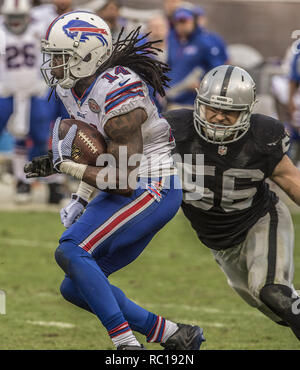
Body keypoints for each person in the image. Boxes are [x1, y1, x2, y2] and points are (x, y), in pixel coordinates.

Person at [24, 10, 205, 350]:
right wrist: (80, 198)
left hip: (152, 187)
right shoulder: (72, 86)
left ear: (87, 57)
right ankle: (174, 335)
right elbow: (101, 153)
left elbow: (121, 179)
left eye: (61, 57)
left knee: (71, 251)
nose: (54, 64)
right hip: (130, 184)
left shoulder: (119, 90)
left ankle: (125, 343)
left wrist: (67, 167)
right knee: (74, 287)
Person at [164, 64, 300, 341]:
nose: (218, 117)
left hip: (260, 221)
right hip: (220, 243)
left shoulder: (262, 138)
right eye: (212, 108)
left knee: (273, 291)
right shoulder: (174, 131)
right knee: (277, 309)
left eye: (229, 111)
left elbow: (292, 181)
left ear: (248, 112)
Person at [0, 0, 67, 203]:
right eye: (12, 17)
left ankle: (51, 181)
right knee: (20, 136)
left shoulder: (41, 23)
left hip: (36, 91)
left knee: (41, 137)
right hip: (7, 92)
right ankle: (22, 181)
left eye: (20, 17)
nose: (16, 22)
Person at [166, 6, 227, 110]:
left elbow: (219, 70)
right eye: (179, 21)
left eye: (185, 21)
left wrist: (203, 84)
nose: (182, 25)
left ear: (193, 21)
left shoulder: (204, 43)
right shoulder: (171, 41)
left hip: (193, 103)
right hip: (171, 100)